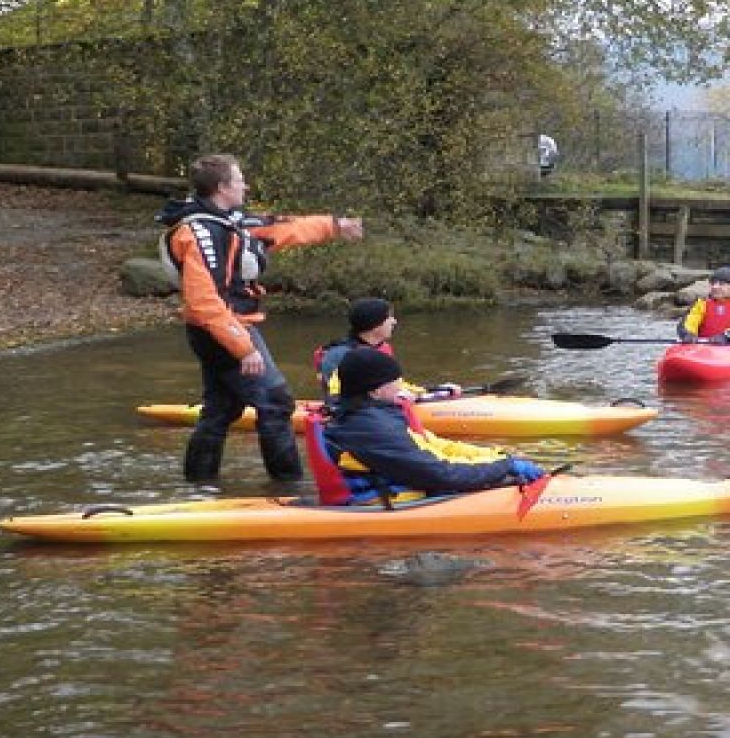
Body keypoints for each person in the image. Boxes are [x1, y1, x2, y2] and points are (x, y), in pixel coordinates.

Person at [157, 153, 364, 483]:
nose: (246, 185)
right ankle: (287, 487)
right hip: (223, 330)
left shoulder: (230, 220)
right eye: (240, 180)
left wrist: (335, 226)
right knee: (276, 403)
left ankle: (199, 486)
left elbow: (282, 228)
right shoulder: (199, 234)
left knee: (222, 409)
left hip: (227, 328)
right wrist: (244, 348)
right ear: (223, 187)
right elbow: (204, 302)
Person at [323, 348, 544, 496]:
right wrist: (504, 468)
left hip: (407, 484)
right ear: (376, 391)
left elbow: (435, 446)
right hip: (391, 501)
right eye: (396, 384)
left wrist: (497, 457)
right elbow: (441, 475)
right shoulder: (372, 428)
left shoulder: (376, 415)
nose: (402, 389)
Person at [313, 297, 459, 417]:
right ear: (376, 324)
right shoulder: (340, 356)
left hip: (379, 409)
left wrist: (437, 390)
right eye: (389, 317)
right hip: (357, 417)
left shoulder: (380, 348)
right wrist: (396, 400)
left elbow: (394, 386)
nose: (394, 321)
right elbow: (341, 400)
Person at [677, 266, 730, 343]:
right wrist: (687, 334)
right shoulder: (701, 304)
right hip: (703, 346)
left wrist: (726, 335)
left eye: (721, 284)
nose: (715, 287)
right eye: (713, 283)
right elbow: (688, 322)